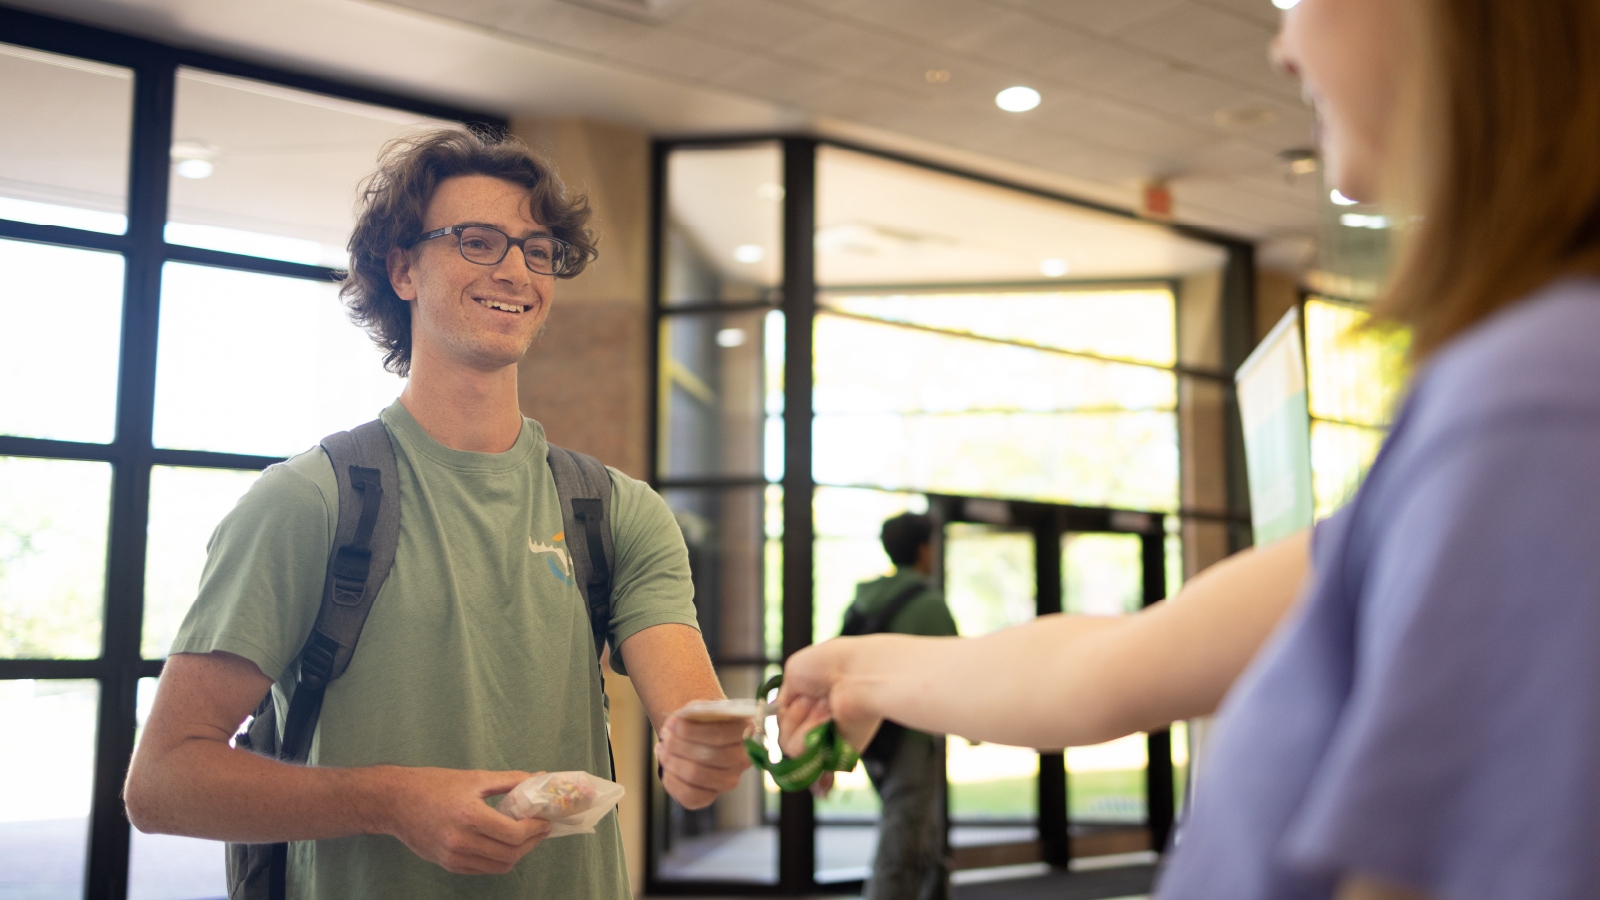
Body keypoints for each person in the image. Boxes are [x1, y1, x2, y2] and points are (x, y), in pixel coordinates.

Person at [778, 1, 1600, 898]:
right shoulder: (1516, 404)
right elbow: (1106, 668)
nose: (1284, 47)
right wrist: (857, 670)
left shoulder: (1533, 403)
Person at [123, 129, 753, 900]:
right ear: (402, 269)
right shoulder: (310, 502)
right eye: (478, 242)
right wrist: (387, 802)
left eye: (536, 249)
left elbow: (690, 723)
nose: (515, 270)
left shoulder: (616, 510)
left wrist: (702, 755)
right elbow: (162, 783)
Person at [825, 513, 956, 900]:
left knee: (920, 831)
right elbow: (957, 672)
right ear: (923, 550)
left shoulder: (864, 600)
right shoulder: (929, 605)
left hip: (873, 735)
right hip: (912, 736)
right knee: (903, 838)